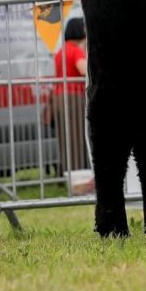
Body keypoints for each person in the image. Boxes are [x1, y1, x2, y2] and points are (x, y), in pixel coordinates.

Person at [50, 16, 90, 174]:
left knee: (65, 138)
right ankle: (78, 174)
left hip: (60, 97)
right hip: (73, 97)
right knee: (77, 137)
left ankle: (66, 172)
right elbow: (84, 71)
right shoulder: (76, 51)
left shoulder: (61, 50)